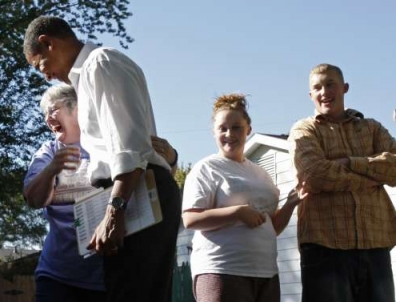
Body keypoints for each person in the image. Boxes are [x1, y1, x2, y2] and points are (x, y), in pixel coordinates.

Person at [24, 16, 182, 302]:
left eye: (40, 65)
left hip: (136, 192)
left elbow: (127, 147)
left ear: (47, 43)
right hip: (129, 193)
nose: (45, 76)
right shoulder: (86, 78)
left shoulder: (101, 63)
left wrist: (114, 211)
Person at [182, 93, 307, 302]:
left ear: (248, 129)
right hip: (222, 270)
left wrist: (289, 205)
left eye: (236, 127)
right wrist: (237, 212)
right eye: (222, 128)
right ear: (214, 132)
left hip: (265, 273)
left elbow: (271, 227)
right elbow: (190, 219)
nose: (229, 133)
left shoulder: (261, 174)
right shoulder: (207, 168)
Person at [288, 63, 396, 302]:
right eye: (317, 87)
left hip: (375, 244)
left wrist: (349, 162)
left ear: (344, 88)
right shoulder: (304, 130)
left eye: (330, 84)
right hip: (325, 249)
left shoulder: (372, 128)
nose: (324, 91)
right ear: (310, 95)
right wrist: (373, 176)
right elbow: (314, 175)